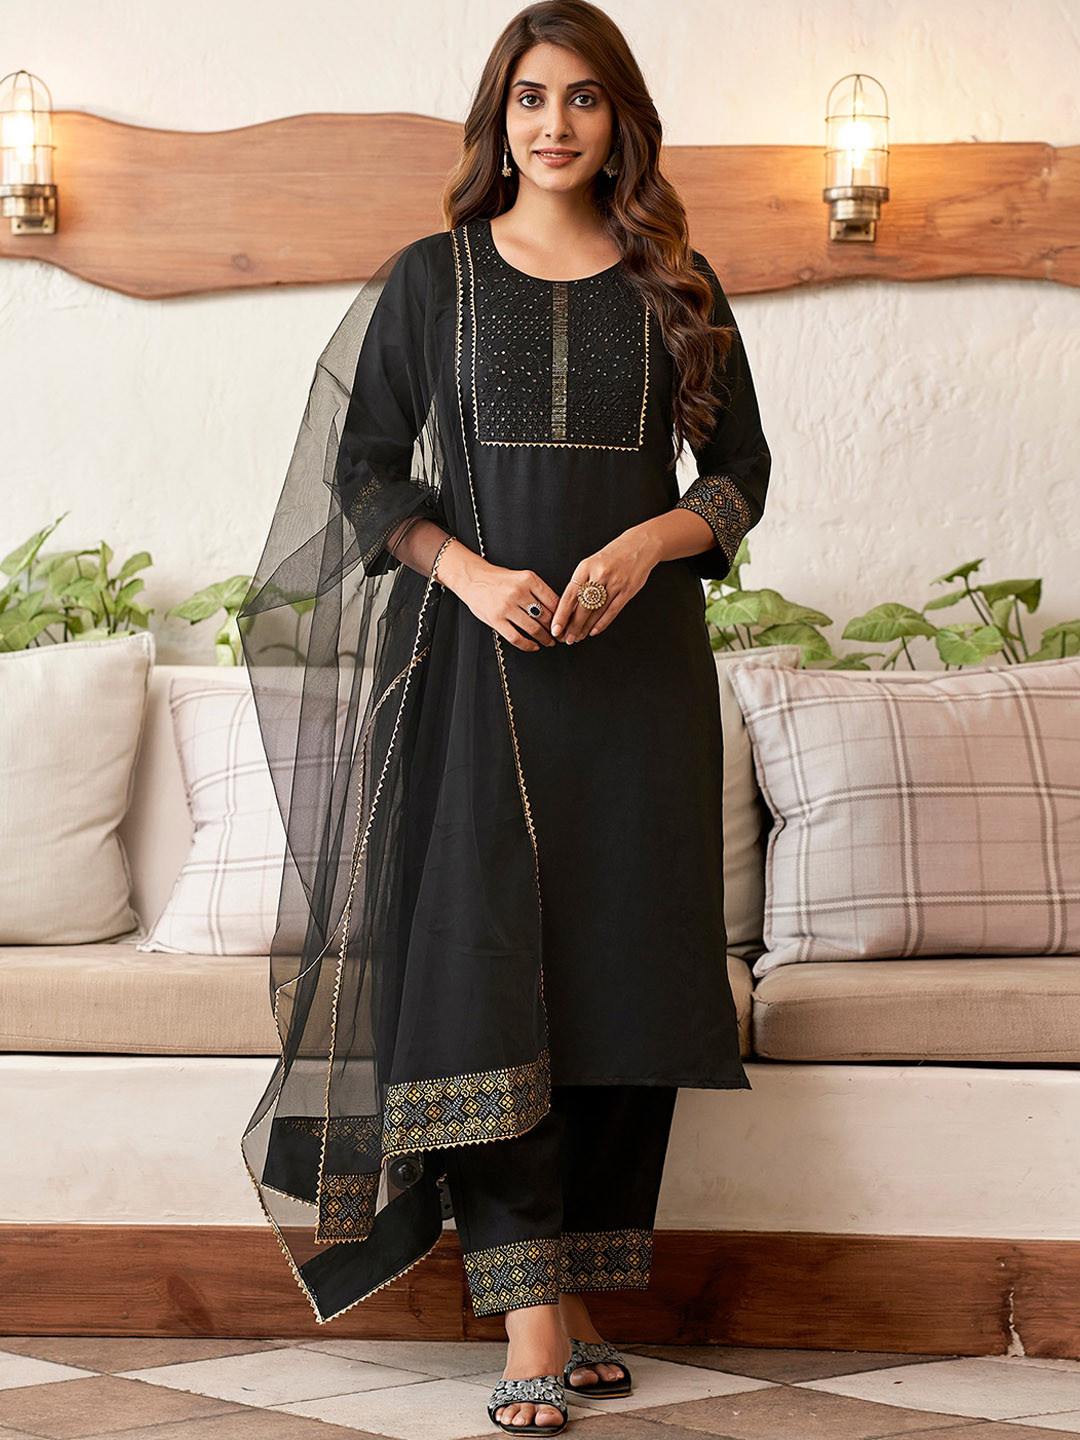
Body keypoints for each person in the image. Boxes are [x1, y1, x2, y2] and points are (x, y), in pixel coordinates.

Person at [238, 1, 771, 1433]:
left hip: (640, 684)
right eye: (532, 96)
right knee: (486, 969)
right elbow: (365, 474)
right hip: (478, 680)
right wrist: (470, 575)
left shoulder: (677, 282)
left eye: (584, 97)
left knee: (621, 971)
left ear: (621, 119)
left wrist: (648, 544)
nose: (555, 123)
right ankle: (528, 1304)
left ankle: (574, 1287)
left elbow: (740, 474)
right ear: (499, 117)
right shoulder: (437, 280)